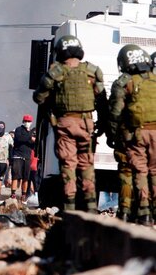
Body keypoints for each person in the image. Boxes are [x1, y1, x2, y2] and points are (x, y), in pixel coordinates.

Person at [33, 35, 108, 213]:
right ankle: (90, 205)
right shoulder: (92, 71)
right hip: (86, 124)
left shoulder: (55, 72)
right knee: (87, 164)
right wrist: (104, 126)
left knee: (68, 165)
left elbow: (38, 97)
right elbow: (103, 102)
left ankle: (70, 206)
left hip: (65, 124)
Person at [107, 44, 155, 226]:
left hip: (130, 137)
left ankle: (129, 211)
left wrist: (111, 135)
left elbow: (115, 114)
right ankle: (149, 212)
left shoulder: (124, 82)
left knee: (130, 174)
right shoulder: (152, 81)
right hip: (150, 135)